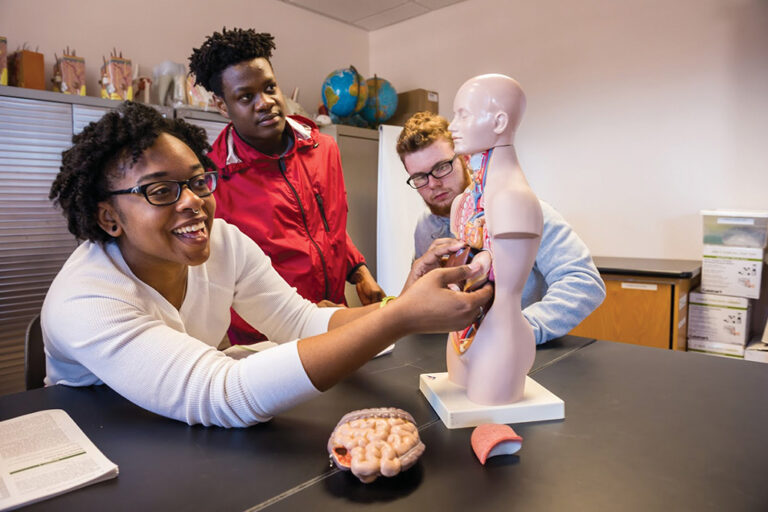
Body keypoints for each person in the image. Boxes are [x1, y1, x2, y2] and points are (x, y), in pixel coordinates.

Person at [43, 101, 492, 428]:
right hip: (111, 440)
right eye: (161, 191)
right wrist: (398, 318)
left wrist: (404, 301)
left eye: (198, 182)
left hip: (181, 433)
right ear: (109, 217)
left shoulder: (224, 243)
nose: (194, 204)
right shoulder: (87, 297)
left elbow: (301, 322)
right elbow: (219, 393)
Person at [188, 28, 384, 345]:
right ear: (222, 106)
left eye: (270, 87)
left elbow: (327, 227)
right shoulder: (212, 181)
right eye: (246, 97)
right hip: (266, 342)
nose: (265, 103)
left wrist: (360, 272)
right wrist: (303, 318)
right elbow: (217, 276)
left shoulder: (324, 149)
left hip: (336, 317)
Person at [396, 111, 605, 346]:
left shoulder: (523, 210)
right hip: (453, 354)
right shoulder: (425, 228)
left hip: (520, 357)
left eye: (442, 167)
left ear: (465, 159)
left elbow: (584, 281)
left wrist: (519, 332)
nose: (433, 183)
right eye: (419, 177)